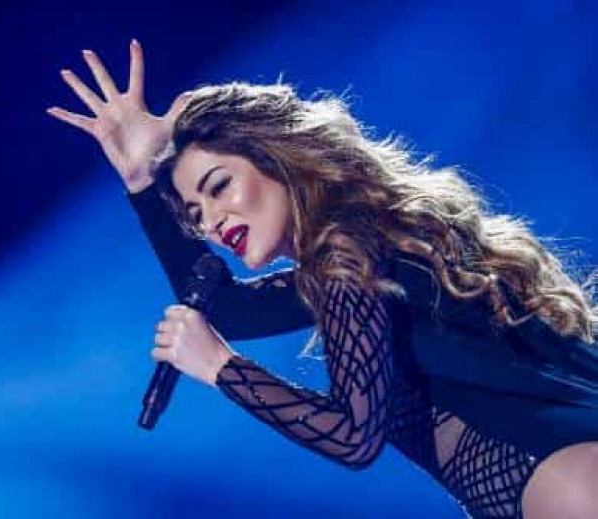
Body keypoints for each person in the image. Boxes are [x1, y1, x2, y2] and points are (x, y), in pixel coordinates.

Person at [47, 40, 598, 518]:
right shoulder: (365, 242)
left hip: (559, 478)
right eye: (195, 215)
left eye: (219, 187)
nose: (211, 222)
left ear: (274, 158)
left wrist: (219, 366)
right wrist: (143, 181)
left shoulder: (344, 254)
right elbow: (232, 309)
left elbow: (353, 437)